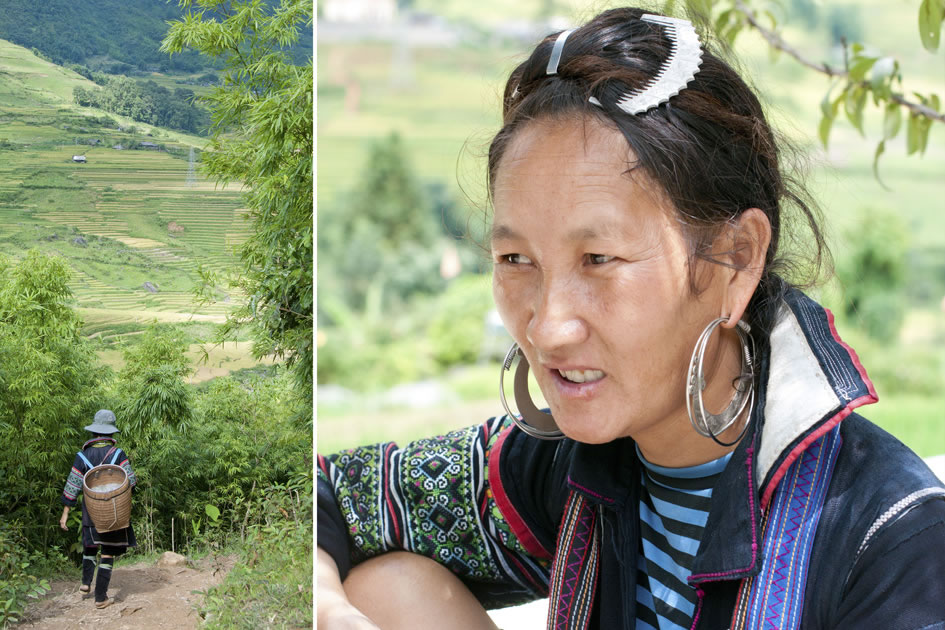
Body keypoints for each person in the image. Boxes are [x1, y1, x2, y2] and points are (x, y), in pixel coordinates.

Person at [317, 7, 945, 629]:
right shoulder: (563, 465)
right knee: (383, 591)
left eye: (598, 258)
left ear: (735, 259)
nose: (547, 326)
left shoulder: (889, 537)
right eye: (516, 258)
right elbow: (324, 496)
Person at [59, 409, 138, 609]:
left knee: (90, 546)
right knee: (107, 553)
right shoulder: (119, 454)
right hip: (112, 513)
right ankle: (101, 598)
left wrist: (65, 514)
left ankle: (86, 583)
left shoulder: (82, 456)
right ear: (111, 433)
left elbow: (73, 485)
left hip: (90, 513)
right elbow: (132, 482)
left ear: (94, 432)